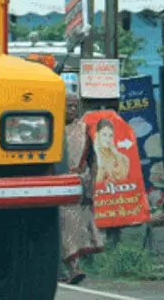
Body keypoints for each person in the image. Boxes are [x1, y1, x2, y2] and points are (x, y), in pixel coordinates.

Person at [59, 91, 105, 284]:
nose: (71, 110)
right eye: (67, 106)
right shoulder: (51, 127)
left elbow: (92, 160)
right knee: (63, 227)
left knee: (75, 228)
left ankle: (74, 269)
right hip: (56, 183)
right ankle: (68, 268)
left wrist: (91, 186)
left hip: (77, 184)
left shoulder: (83, 129)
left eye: (73, 106)